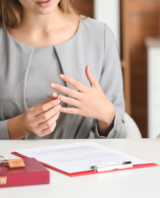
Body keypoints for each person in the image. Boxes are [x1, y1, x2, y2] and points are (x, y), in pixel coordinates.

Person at [0, 0, 126, 140]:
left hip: (78, 161)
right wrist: (18, 127)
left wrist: (106, 115)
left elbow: (119, 137)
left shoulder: (100, 36)